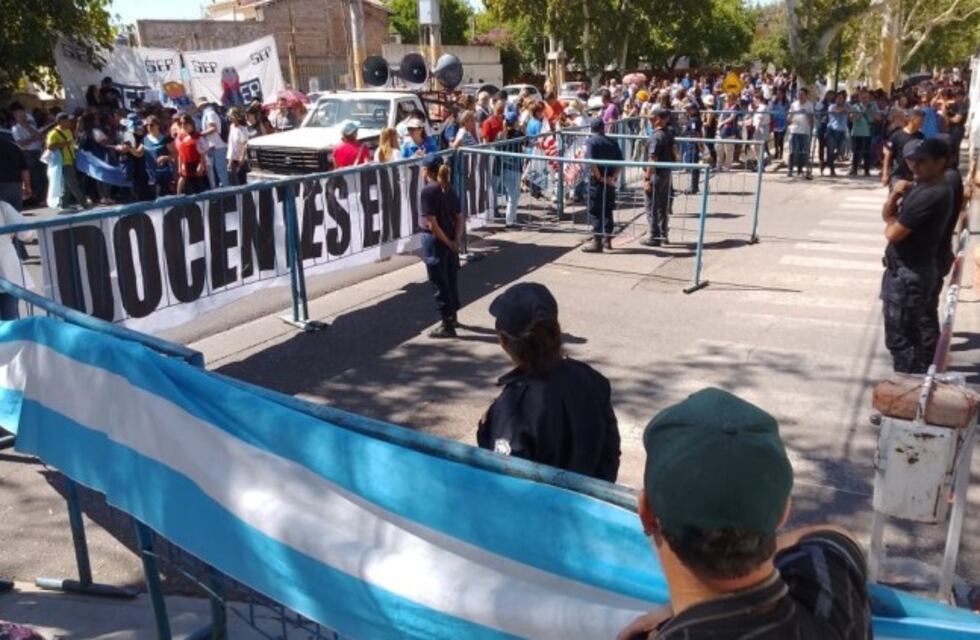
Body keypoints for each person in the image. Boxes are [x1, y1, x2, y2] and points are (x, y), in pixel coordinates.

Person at [617, 388, 871, 640]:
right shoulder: (834, 608)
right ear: (783, 513)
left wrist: (680, 613)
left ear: (646, 512)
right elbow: (831, 536)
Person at [478, 282, 620, 481]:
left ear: (504, 341)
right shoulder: (592, 380)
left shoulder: (514, 406)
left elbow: (506, 480)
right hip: (588, 498)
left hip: (542, 502)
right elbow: (610, 453)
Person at [880, 138, 953, 373]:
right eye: (912, 161)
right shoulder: (919, 186)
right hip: (902, 270)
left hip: (910, 274)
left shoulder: (932, 194)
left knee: (903, 341)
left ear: (940, 163)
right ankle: (916, 378)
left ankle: (910, 383)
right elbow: (887, 215)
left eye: (922, 161)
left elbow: (893, 233)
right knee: (904, 336)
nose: (915, 166)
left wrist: (893, 223)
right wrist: (894, 195)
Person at [419, 154, 463, 339]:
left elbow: (432, 224)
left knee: (440, 283)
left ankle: (447, 324)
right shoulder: (448, 189)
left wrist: (449, 242)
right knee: (451, 279)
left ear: (426, 171)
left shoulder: (428, 191)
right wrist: (455, 241)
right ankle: (453, 316)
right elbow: (460, 217)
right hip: (450, 239)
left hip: (436, 242)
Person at [581, 117, 623, 253]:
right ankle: (607, 240)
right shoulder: (613, 141)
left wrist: (600, 177)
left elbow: (591, 161)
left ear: (592, 129)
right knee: (608, 210)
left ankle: (597, 241)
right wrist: (613, 177)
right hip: (609, 181)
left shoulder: (591, 141)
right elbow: (620, 162)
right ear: (603, 128)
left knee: (595, 211)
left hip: (597, 181)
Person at [45, 113, 91, 210]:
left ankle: (64, 205)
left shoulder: (68, 131)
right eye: (67, 120)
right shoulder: (53, 133)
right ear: (61, 121)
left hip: (70, 160)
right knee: (73, 183)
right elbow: (49, 147)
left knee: (67, 185)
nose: (69, 122)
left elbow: (72, 144)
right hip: (62, 163)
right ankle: (84, 203)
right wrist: (63, 144)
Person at [644, 105, 675, 247]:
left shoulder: (656, 136)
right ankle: (663, 234)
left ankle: (654, 235)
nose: (650, 121)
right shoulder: (668, 133)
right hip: (666, 173)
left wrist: (647, 179)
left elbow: (653, 159)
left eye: (652, 119)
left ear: (657, 119)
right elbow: (675, 153)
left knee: (652, 205)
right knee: (663, 205)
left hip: (656, 174)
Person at [9, 103, 45, 205]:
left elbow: (40, 136)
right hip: (28, 153)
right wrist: (32, 139)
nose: (24, 118)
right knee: (34, 176)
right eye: (21, 117)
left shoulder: (31, 126)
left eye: (24, 116)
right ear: (16, 118)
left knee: (42, 175)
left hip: (38, 152)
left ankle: (41, 197)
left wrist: (28, 128)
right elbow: (21, 144)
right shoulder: (15, 129)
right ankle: (34, 197)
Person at [881, 108, 924, 190]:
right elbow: (888, 155)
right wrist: (885, 174)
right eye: (920, 121)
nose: (922, 123)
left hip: (913, 175)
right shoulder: (897, 135)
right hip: (898, 174)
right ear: (912, 120)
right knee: (895, 194)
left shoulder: (921, 137)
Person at [142, 115, 177, 197]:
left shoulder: (165, 139)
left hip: (165, 174)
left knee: (163, 195)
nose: (149, 127)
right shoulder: (144, 140)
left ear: (157, 125)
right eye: (147, 125)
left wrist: (165, 157)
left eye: (151, 125)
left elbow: (176, 154)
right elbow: (138, 153)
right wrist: (130, 148)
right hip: (151, 175)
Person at [199, 99, 229, 189]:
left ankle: (227, 189)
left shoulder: (210, 114)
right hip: (212, 146)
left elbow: (213, 128)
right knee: (214, 170)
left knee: (221, 170)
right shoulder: (207, 114)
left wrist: (200, 134)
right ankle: (220, 188)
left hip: (217, 145)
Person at [174, 114, 208, 195]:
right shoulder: (181, 137)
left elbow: (202, 153)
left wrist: (201, 165)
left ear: (191, 123)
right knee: (189, 190)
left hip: (196, 165)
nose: (183, 125)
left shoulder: (197, 137)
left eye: (185, 123)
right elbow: (180, 154)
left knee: (199, 189)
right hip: (186, 166)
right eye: (181, 123)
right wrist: (179, 167)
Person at [848, 91, 879, 177]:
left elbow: (878, 118)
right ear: (859, 98)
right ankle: (854, 169)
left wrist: (871, 112)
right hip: (857, 132)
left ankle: (866, 170)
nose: (865, 99)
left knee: (867, 152)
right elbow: (851, 118)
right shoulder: (855, 106)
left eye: (867, 98)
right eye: (863, 97)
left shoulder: (873, 106)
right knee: (856, 152)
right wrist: (862, 112)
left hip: (868, 132)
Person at [787, 88, 814, 178]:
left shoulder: (809, 105)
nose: (800, 96)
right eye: (799, 94)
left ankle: (800, 169)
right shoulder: (793, 105)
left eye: (802, 94)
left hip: (805, 131)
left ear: (806, 95)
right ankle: (790, 169)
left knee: (803, 151)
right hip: (794, 130)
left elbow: (811, 120)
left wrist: (806, 113)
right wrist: (792, 115)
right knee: (792, 150)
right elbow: (789, 119)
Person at [825, 91, 849, 177]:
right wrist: (844, 109)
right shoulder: (831, 106)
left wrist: (846, 109)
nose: (839, 100)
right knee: (831, 150)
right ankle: (832, 170)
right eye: (838, 98)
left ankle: (826, 163)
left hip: (842, 131)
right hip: (832, 131)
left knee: (840, 151)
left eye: (841, 98)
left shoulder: (847, 106)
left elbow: (851, 111)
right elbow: (837, 111)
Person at [226, 107, 249, 185]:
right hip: (233, 158)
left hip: (241, 159)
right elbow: (231, 144)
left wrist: (242, 157)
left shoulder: (243, 128)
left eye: (231, 116)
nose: (229, 118)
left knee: (242, 181)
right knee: (234, 181)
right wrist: (230, 160)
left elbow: (245, 144)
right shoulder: (231, 126)